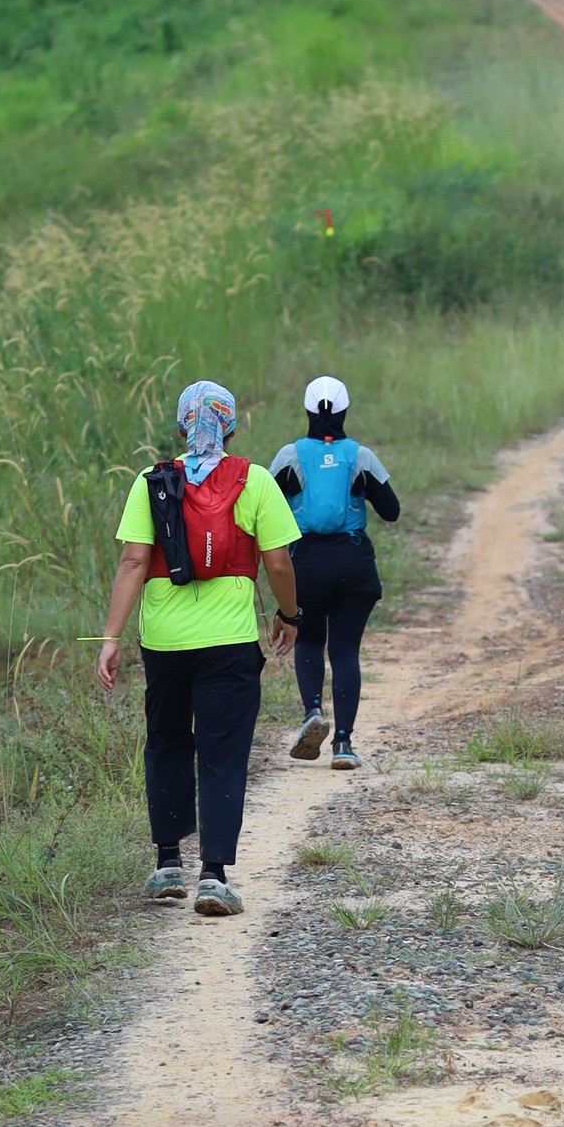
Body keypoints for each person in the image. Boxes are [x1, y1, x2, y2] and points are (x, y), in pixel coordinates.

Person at [96, 379, 300, 918]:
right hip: (229, 644)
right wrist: (289, 615)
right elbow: (279, 563)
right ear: (230, 426)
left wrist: (112, 638)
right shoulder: (255, 480)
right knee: (222, 752)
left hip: (164, 643)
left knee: (166, 741)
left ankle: (167, 864)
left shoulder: (153, 482)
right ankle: (213, 876)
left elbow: (133, 562)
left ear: (182, 424)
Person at [270, 373, 400, 772]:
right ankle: (343, 743)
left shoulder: (289, 456)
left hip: (305, 563)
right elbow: (391, 511)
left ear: (308, 411)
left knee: (309, 640)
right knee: (345, 652)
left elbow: (265, 507)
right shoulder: (361, 456)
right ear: (345, 411)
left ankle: (312, 712)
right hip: (353, 563)